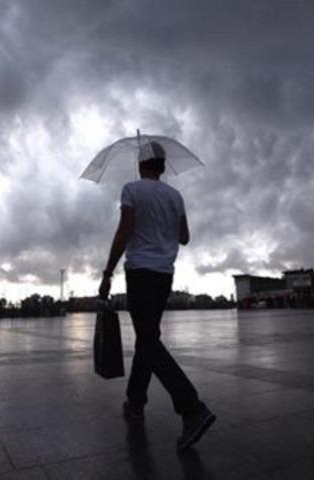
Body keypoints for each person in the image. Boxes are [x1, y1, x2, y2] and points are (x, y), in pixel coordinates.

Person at [98, 140, 215, 450]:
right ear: (163, 167)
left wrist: (108, 272)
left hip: (139, 273)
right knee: (147, 338)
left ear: (140, 165)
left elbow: (124, 231)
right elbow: (185, 238)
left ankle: (192, 408)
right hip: (165, 274)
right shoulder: (175, 196)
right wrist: (163, 225)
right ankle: (135, 403)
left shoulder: (131, 190)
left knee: (148, 340)